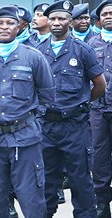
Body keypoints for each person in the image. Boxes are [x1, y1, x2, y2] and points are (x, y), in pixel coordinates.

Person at [0, 5, 55, 217]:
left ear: (19, 27)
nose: (4, 27)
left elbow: (47, 97)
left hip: (25, 139)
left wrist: (27, 122)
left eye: (10, 23)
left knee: (32, 200)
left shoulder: (34, 57)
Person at [36, 1, 106, 217]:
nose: (57, 23)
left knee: (81, 180)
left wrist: (81, 103)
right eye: (53, 19)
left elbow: (100, 85)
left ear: (70, 21)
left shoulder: (83, 50)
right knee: (45, 180)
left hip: (74, 126)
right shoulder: (37, 51)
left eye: (62, 18)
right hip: (45, 126)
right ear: (48, 21)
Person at [87, 1, 112, 217]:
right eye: (105, 14)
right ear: (98, 20)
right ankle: (102, 205)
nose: (109, 16)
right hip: (98, 111)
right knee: (99, 159)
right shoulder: (90, 44)